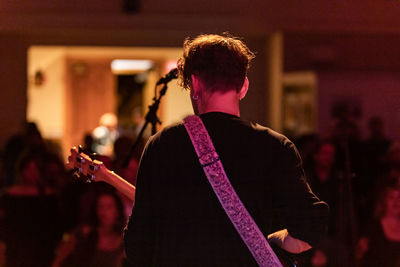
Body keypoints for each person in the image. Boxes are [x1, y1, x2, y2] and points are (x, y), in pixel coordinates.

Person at [123, 33, 329, 266]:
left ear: (195, 84)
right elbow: (309, 228)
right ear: (243, 86)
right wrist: (274, 241)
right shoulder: (275, 147)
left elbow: (138, 244)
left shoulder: (161, 146)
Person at [52, 186, 126, 267]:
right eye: (100, 206)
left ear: (117, 211)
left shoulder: (123, 242)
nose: (103, 212)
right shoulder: (84, 234)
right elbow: (58, 259)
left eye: (109, 207)